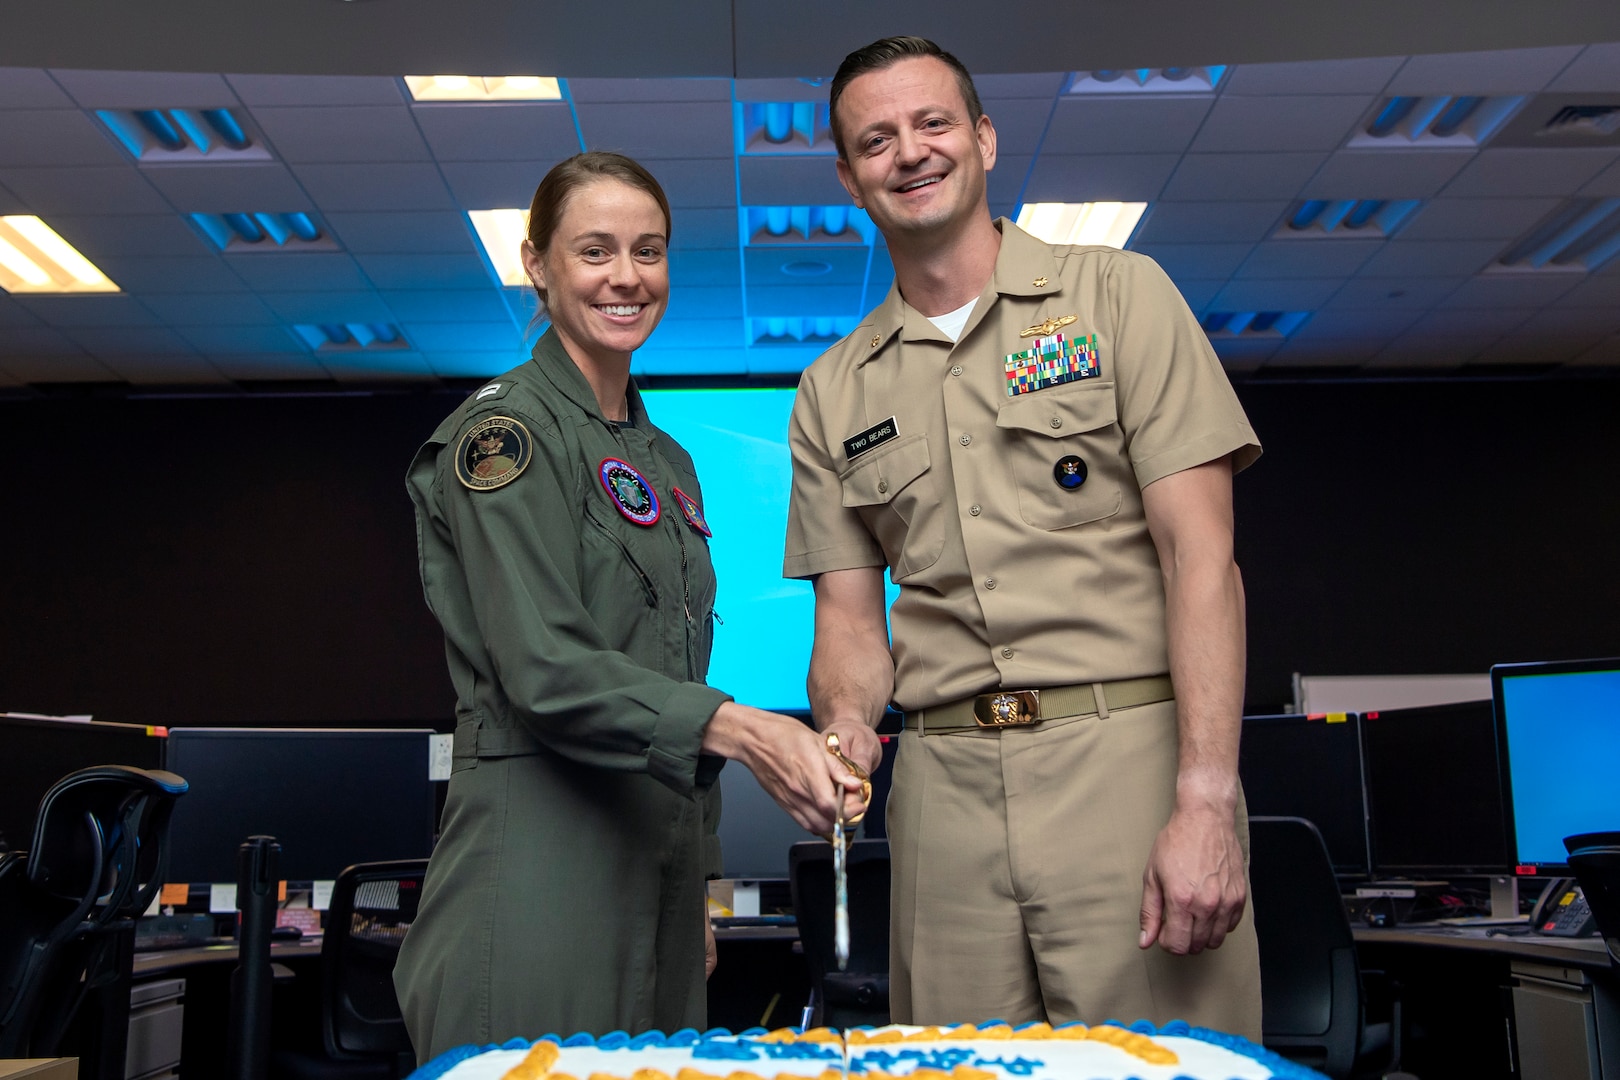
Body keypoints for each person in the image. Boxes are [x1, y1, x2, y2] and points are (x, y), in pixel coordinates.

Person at [783, 38, 1264, 1037]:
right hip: (944, 795)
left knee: (1162, 1066)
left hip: (1123, 760)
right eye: (877, 139)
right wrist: (842, 730)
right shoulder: (833, 388)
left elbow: (1201, 562)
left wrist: (1208, 798)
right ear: (847, 175)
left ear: (985, 139)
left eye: (933, 125)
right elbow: (850, 624)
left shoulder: (1120, 297)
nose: (909, 153)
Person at [394, 152, 866, 1060]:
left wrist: (694, 884)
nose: (626, 277)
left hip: (655, 872)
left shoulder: (668, 460)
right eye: (595, 250)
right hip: (540, 865)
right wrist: (751, 731)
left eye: (648, 252)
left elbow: (667, 670)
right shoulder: (505, 436)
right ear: (537, 264)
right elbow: (547, 669)